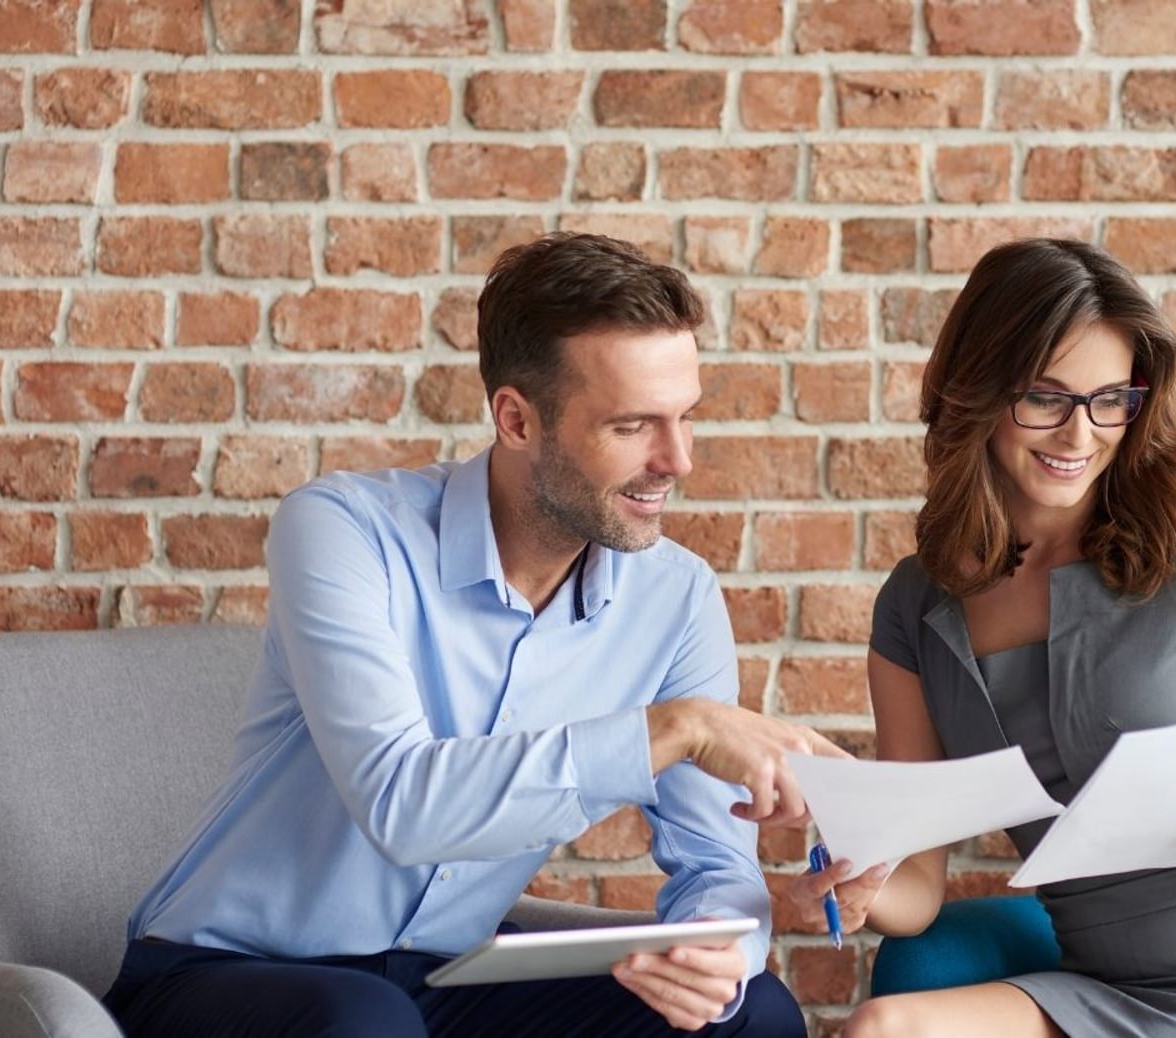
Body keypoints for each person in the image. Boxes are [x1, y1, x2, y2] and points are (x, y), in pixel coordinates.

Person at [102, 233, 842, 1037]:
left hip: (452, 978)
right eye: (633, 426)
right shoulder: (345, 530)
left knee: (753, 1015)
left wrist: (716, 952)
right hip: (228, 974)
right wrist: (677, 729)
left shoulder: (677, 597)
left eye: (684, 418)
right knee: (364, 1020)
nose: (678, 461)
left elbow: (715, 862)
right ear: (517, 419)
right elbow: (402, 804)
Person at [787, 238, 1176, 1037]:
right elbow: (919, 881)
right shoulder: (914, 608)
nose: (1080, 434)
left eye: (1111, 399)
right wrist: (856, 887)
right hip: (1106, 989)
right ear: (979, 391)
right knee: (882, 1029)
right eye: (1046, 397)